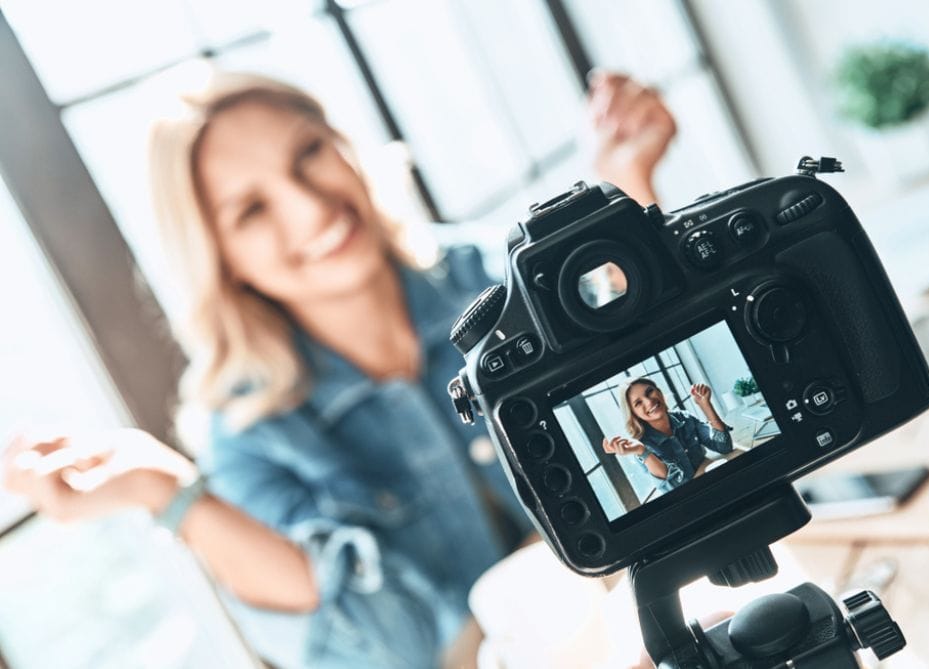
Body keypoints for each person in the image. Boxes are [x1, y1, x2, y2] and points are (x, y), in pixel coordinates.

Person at [1, 69, 678, 668]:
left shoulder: (494, 278)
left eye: (308, 155)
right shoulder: (246, 432)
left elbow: (661, 405)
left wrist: (624, 190)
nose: (311, 206)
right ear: (218, 254)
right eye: (252, 209)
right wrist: (168, 492)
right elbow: (389, 648)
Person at [603, 377, 734, 491]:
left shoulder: (685, 418)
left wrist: (705, 404)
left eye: (649, 392)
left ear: (659, 392)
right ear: (633, 413)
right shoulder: (641, 445)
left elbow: (724, 447)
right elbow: (676, 486)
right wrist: (641, 450)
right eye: (638, 403)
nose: (649, 402)